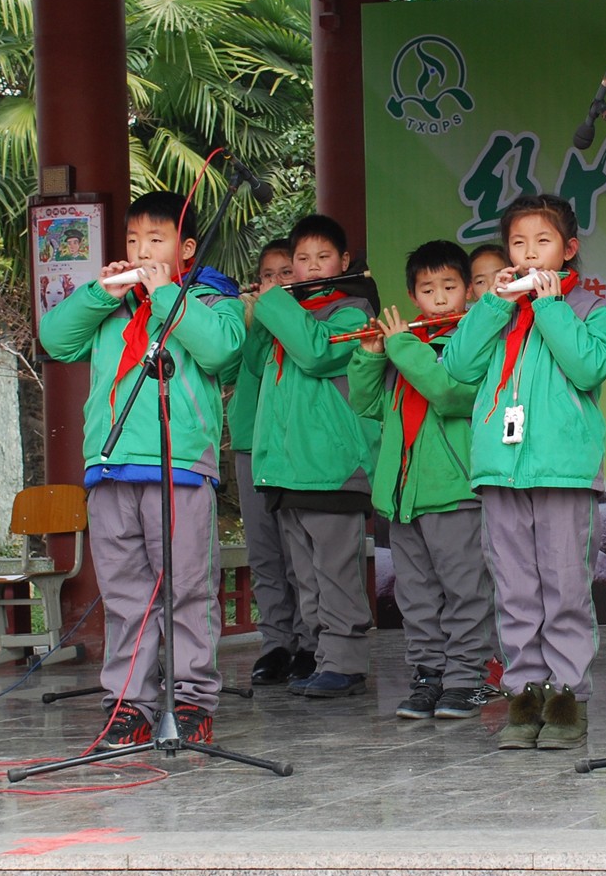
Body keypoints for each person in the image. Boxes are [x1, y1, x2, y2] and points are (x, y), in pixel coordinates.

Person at [38, 192, 244, 746]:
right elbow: (56, 340)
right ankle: (129, 703)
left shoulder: (209, 298)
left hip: (179, 467)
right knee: (127, 595)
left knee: (187, 590)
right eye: (132, 241)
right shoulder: (112, 304)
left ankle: (191, 699)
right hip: (109, 464)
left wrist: (168, 293)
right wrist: (99, 294)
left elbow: (223, 352)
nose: (141, 250)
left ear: (186, 248)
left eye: (156, 239)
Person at [443, 194, 606, 750]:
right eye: (517, 244)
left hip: (563, 470)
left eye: (542, 242)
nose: (528, 254)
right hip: (501, 467)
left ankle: (567, 695)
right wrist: (494, 306)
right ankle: (524, 693)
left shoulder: (590, 308)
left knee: (565, 586)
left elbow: (589, 365)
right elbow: (456, 366)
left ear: (568, 250)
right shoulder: (496, 311)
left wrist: (548, 307)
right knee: (516, 590)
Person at [348, 241, 500, 720]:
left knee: (465, 594)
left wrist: (402, 348)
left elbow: (451, 394)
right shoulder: (403, 345)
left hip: (454, 492)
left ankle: (467, 679)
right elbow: (367, 406)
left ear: (468, 291)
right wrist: (373, 356)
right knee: (415, 598)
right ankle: (429, 678)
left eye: (449, 287)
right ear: (414, 296)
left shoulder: (472, 340)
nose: (438, 297)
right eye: (427, 289)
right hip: (401, 495)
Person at [249, 214, 378, 699]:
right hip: (287, 467)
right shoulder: (286, 312)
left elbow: (319, 354)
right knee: (305, 574)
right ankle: (318, 655)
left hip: (331, 467)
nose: (310, 267)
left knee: (335, 570)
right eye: (300, 260)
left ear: (343, 262)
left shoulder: (352, 310)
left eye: (322, 257)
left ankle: (345, 661)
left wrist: (276, 305)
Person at [230, 239, 316, 686]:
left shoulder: (315, 318)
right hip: (252, 444)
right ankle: (276, 642)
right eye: (269, 275)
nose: (278, 282)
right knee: (264, 552)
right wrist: (263, 316)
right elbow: (251, 363)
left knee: (300, 554)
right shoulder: (251, 321)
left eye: (287, 272)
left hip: (296, 448)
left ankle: (309, 641)